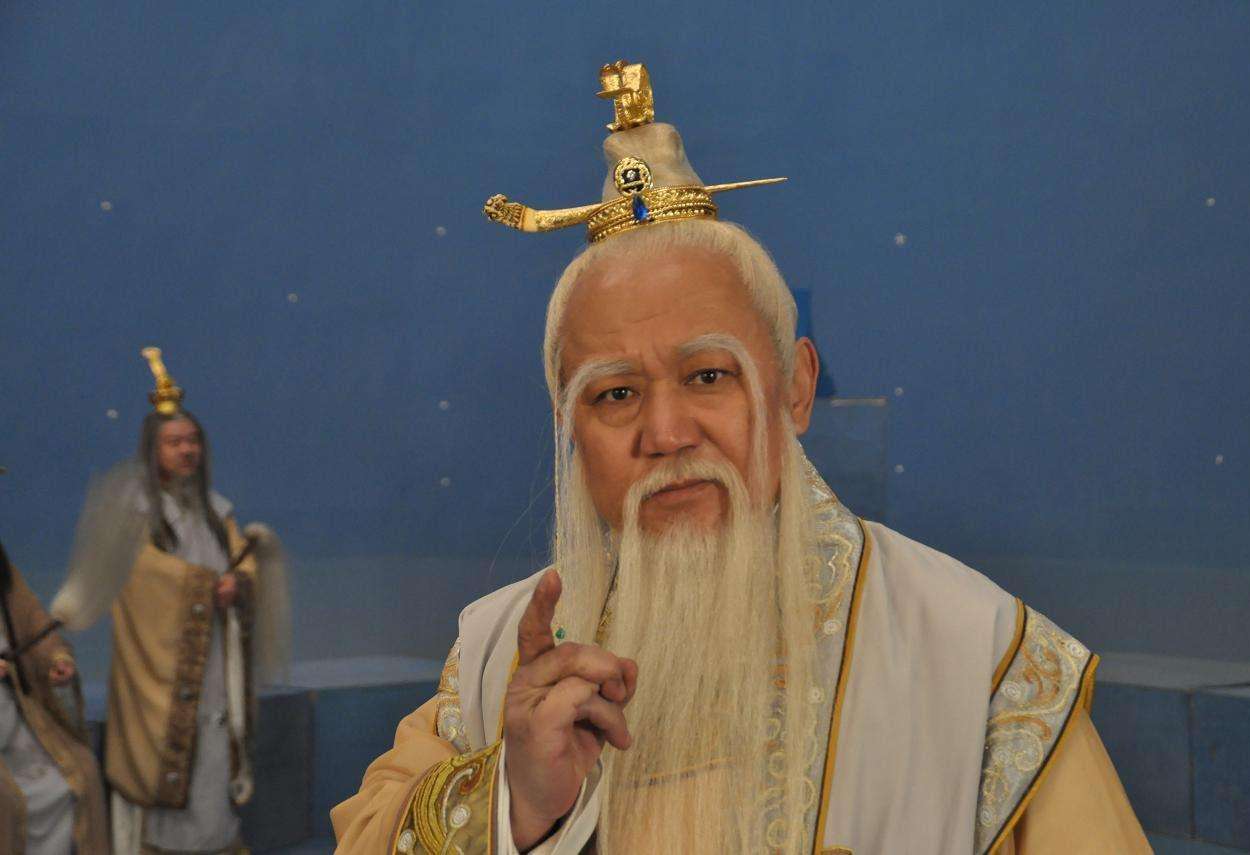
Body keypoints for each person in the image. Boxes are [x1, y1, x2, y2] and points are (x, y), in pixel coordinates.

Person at [332, 62, 1148, 854]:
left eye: (708, 376)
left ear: (795, 387)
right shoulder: (499, 657)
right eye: (615, 393)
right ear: (568, 426)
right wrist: (514, 804)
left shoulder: (977, 658)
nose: (665, 433)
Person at [97, 348, 287, 855]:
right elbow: (140, 575)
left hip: (214, 660)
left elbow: (241, 560)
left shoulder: (214, 510)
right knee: (173, 754)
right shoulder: (136, 511)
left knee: (215, 749)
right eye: (174, 442)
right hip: (159, 670)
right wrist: (206, 587)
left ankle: (215, 841)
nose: (187, 450)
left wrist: (239, 581)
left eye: (192, 440)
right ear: (153, 450)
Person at [0, 538, 109, 855]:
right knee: (8, 803)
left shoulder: (5, 577)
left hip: (14, 715)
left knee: (80, 773)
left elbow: (34, 623)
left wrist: (56, 660)